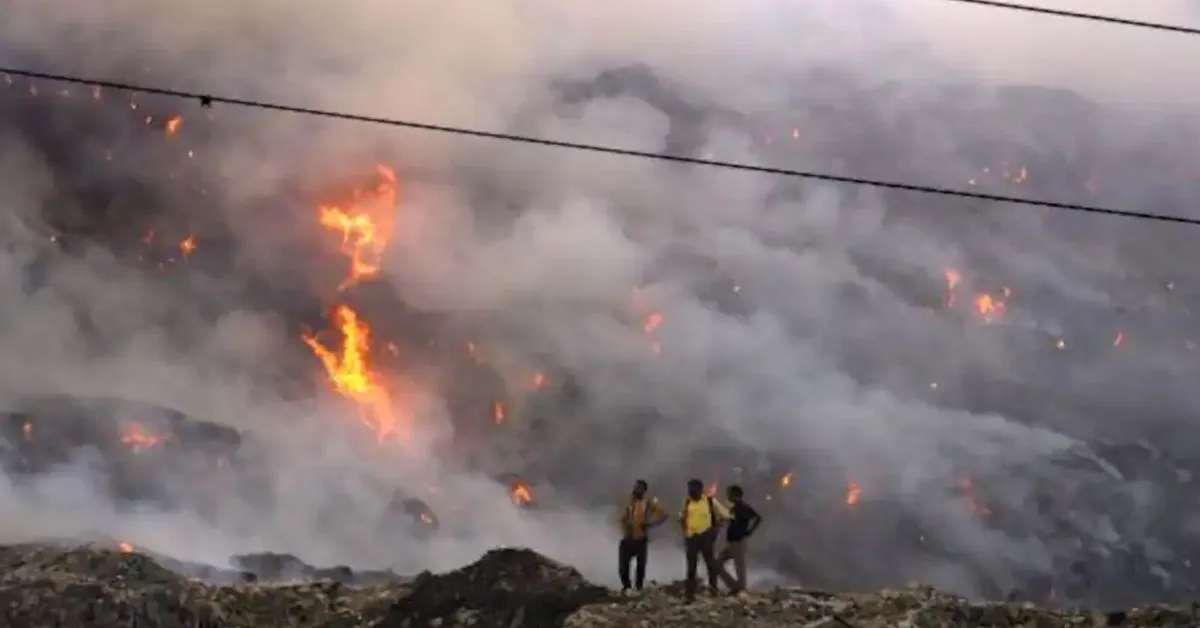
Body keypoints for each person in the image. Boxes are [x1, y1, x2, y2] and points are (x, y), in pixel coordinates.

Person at [679, 478, 730, 602]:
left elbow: (726, 515)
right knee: (691, 567)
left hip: (706, 537)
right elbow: (682, 517)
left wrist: (716, 529)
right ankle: (689, 594)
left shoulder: (710, 501)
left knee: (710, 564)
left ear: (701, 489)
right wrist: (685, 531)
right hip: (691, 538)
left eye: (694, 489)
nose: (691, 492)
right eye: (690, 489)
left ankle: (713, 589)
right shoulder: (687, 502)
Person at [617, 479, 667, 594]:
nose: (635, 490)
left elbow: (664, 515)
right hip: (627, 538)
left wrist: (651, 523)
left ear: (644, 491)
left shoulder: (649, 503)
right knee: (623, 568)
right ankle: (626, 587)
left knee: (640, 567)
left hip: (640, 539)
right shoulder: (628, 501)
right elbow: (621, 516)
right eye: (635, 487)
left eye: (638, 488)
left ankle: (638, 588)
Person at [717, 484, 762, 594]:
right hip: (731, 542)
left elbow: (758, 518)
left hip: (739, 542)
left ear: (735, 495)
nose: (728, 496)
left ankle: (740, 589)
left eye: (729, 494)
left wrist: (749, 531)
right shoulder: (733, 508)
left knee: (739, 568)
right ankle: (735, 587)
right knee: (717, 564)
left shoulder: (743, 507)